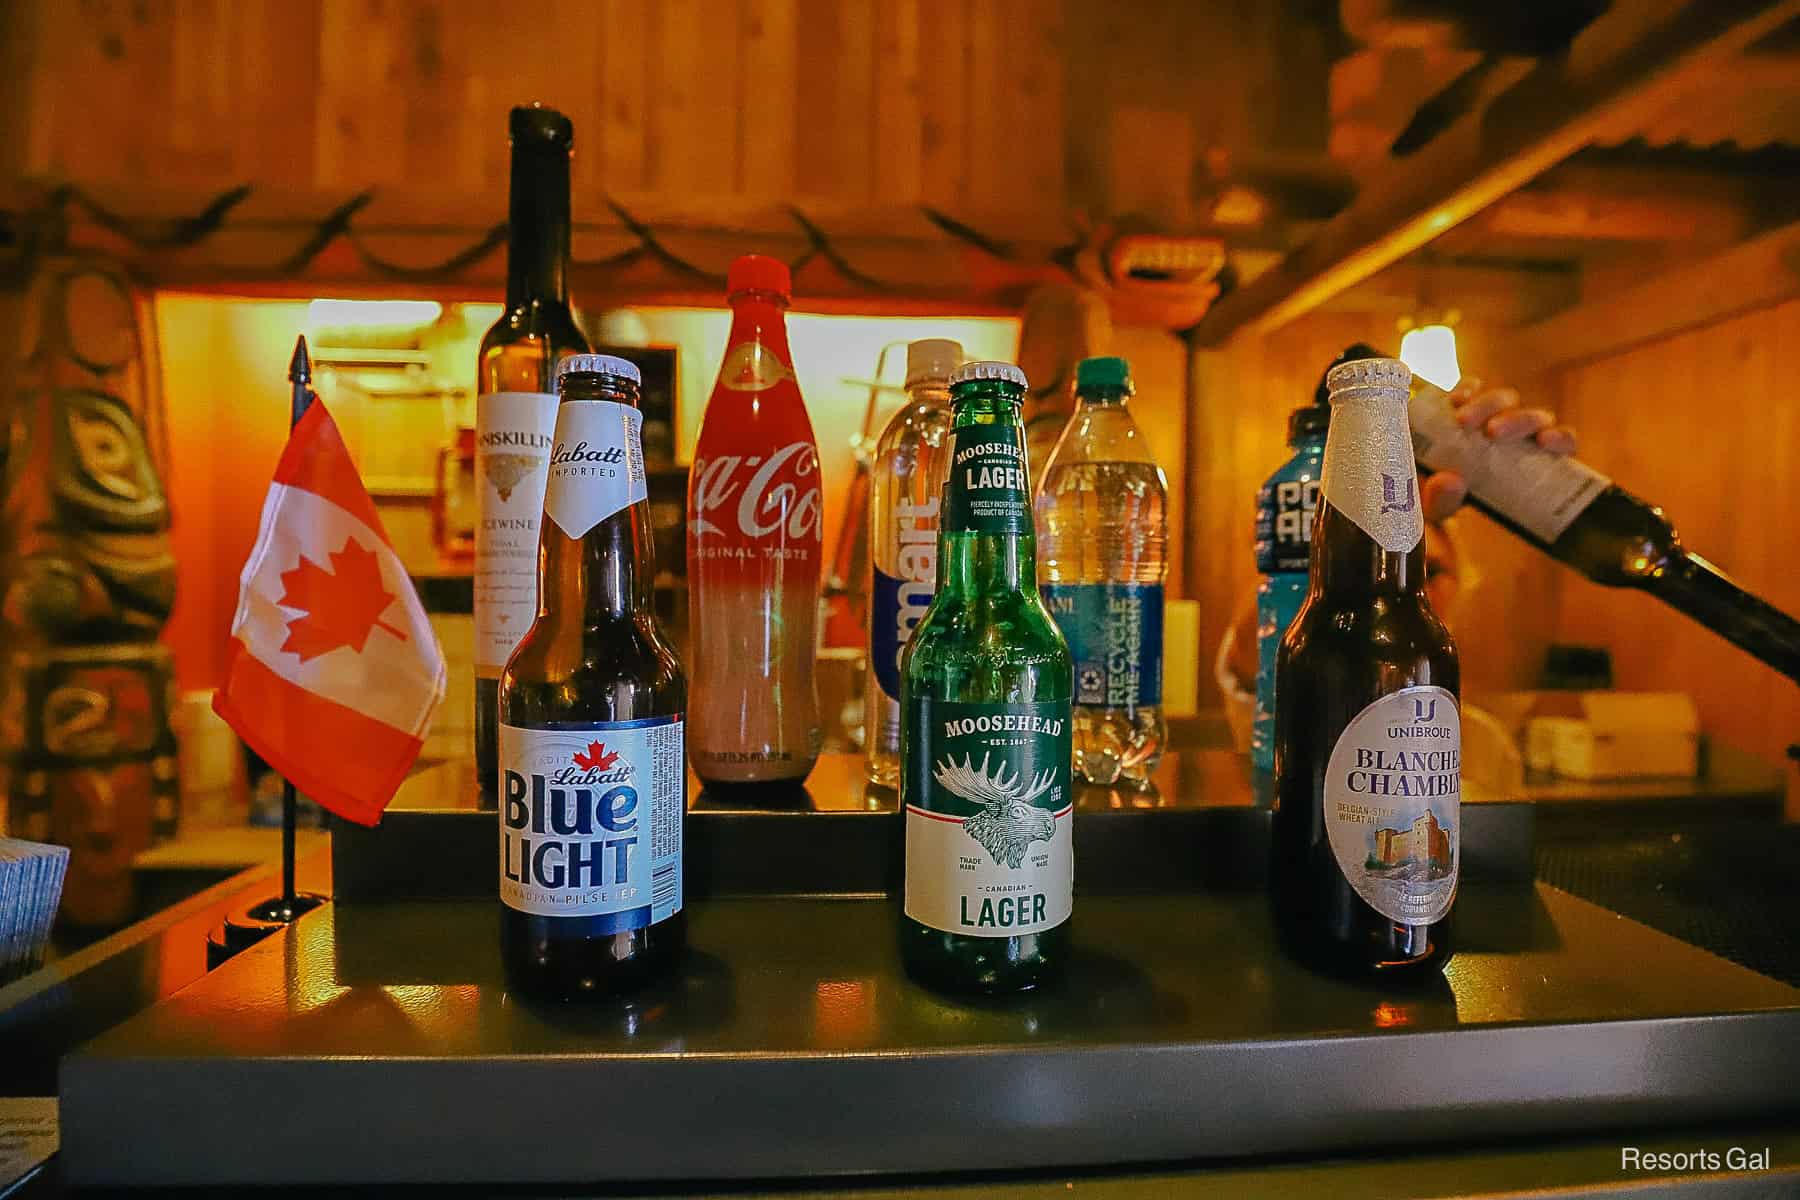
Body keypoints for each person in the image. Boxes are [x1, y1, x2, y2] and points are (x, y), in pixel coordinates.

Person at [1216, 371, 1579, 748]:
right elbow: (1255, 680)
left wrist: (1522, 488)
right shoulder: (1292, 671)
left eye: (1429, 575)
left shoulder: (1485, 748)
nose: (1395, 604)